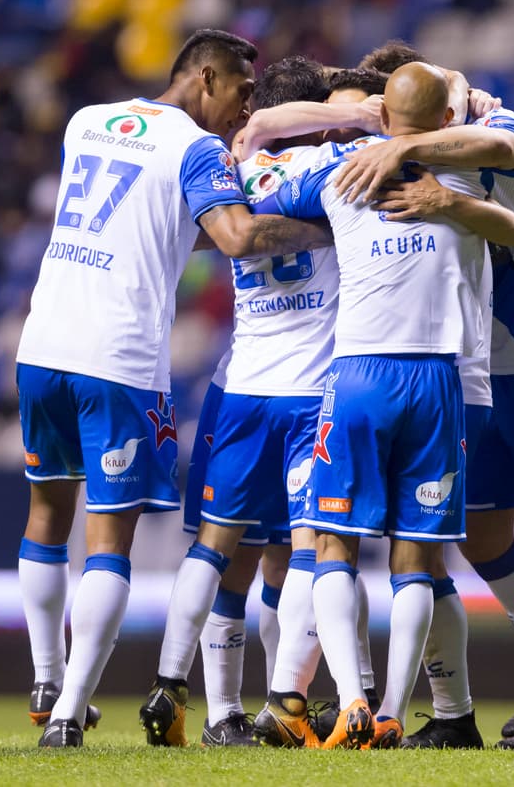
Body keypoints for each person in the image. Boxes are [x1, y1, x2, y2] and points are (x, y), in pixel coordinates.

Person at [14, 29, 332, 749]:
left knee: (46, 512)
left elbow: (152, 218)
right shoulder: (197, 149)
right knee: (108, 542)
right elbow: (237, 236)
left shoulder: (87, 121)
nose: (245, 109)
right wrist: (331, 231)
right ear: (207, 77)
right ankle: (67, 713)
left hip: (41, 345)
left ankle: (45, 677)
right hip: (117, 359)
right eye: (242, 91)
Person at [333, 77, 514, 750]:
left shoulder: (498, 128)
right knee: (481, 536)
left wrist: (416, 154)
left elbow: (499, 148)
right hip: (475, 372)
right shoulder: (404, 168)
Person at [260, 62, 514, 749]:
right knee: (419, 559)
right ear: (444, 121)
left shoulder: (337, 168)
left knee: (331, 543)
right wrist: (446, 197)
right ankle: (391, 713)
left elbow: (255, 162)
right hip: (439, 379)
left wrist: (342, 126)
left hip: (358, 374)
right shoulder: (462, 171)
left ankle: (351, 698)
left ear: (382, 112)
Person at [143, 55, 337, 748]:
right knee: (304, 550)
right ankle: (284, 702)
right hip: (311, 394)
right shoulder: (335, 169)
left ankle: (181, 688)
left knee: (218, 548)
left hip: (241, 389)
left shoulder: (234, 170)